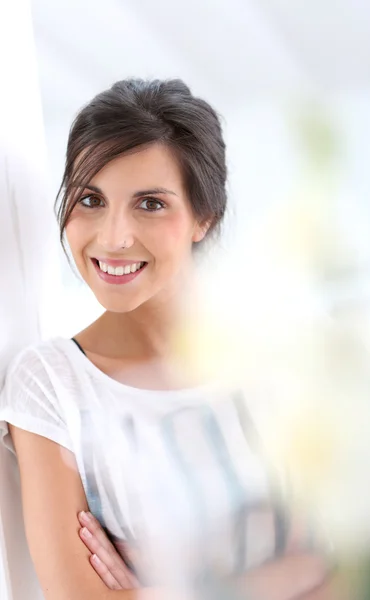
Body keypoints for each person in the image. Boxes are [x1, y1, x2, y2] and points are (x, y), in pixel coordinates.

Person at [0, 78, 336, 600]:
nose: (112, 237)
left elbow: (347, 572)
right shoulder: (51, 384)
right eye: (90, 199)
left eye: (150, 204)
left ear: (205, 216)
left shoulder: (285, 352)